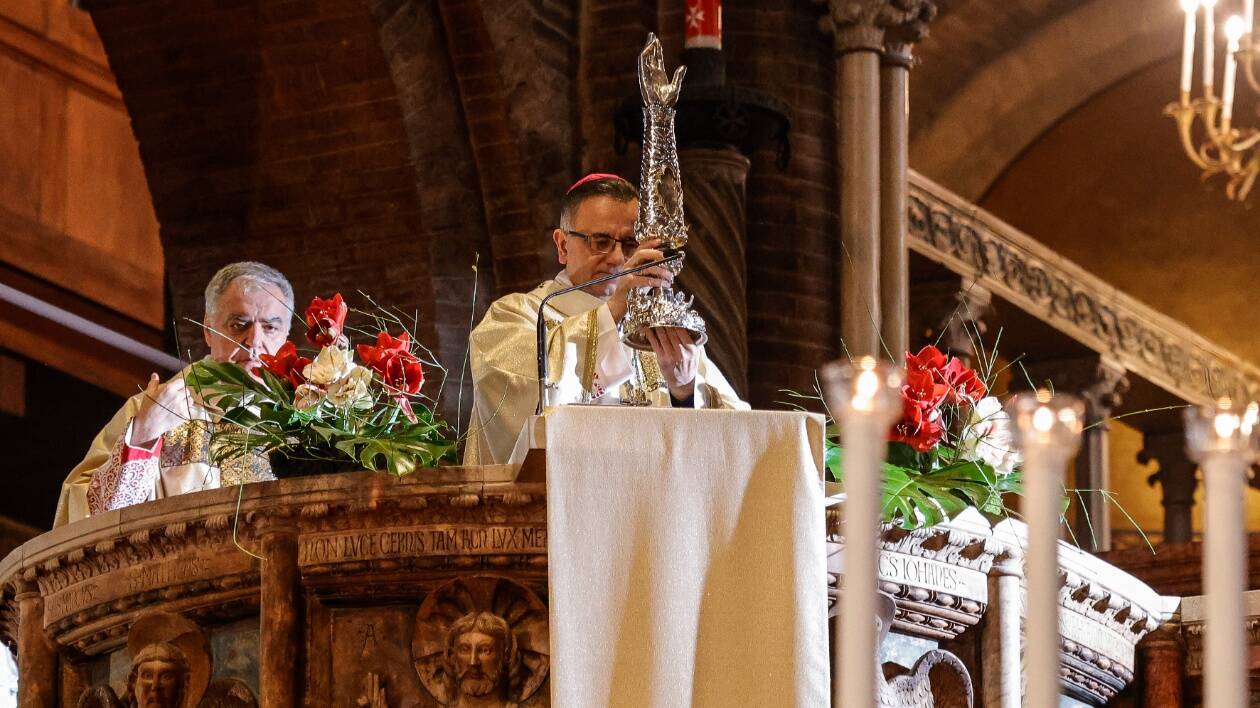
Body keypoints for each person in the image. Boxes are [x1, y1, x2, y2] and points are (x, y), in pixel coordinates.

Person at [464, 174, 747, 464]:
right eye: (600, 242)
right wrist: (613, 310)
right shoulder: (514, 316)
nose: (616, 259)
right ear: (562, 246)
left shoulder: (661, 328)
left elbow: (740, 431)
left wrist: (685, 391)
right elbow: (514, 397)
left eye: (630, 244)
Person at [54, 262, 293, 527]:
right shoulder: (152, 409)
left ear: (287, 335)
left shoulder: (308, 415)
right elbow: (90, 521)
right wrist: (142, 437)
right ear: (208, 330)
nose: (254, 342)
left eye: (270, 328)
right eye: (239, 325)